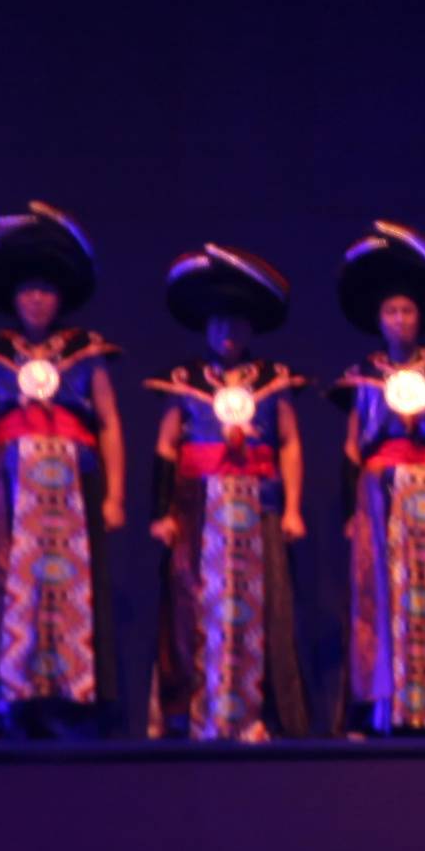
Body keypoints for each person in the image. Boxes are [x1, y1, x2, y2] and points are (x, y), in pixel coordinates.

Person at [0, 203, 126, 740]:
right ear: (13, 297)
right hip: (11, 488)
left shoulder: (86, 352)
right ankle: (4, 707)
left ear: (61, 297)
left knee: (77, 592)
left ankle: (73, 706)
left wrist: (115, 496)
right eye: (27, 290)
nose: (36, 299)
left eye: (46, 290)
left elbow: (110, 423)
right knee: (6, 589)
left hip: (75, 487)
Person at [323, 222, 425, 737]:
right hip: (380, 493)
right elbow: (352, 445)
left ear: (421, 318)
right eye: (391, 311)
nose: (399, 319)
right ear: (379, 319)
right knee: (381, 596)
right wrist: (351, 510)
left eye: (407, 311)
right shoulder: (363, 374)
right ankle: (382, 709)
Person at [148, 245, 307, 743]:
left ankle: (263, 716)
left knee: (265, 607)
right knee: (191, 608)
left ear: (251, 329)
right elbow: (166, 446)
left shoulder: (274, 380)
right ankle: (190, 715)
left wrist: (293, 509)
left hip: (258, 507)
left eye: (237, 323)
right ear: (206, 328)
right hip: (199, 508)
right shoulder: (185, 381)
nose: (228, 333)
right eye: (219, 324)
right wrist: (162, 512)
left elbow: (290, 442)